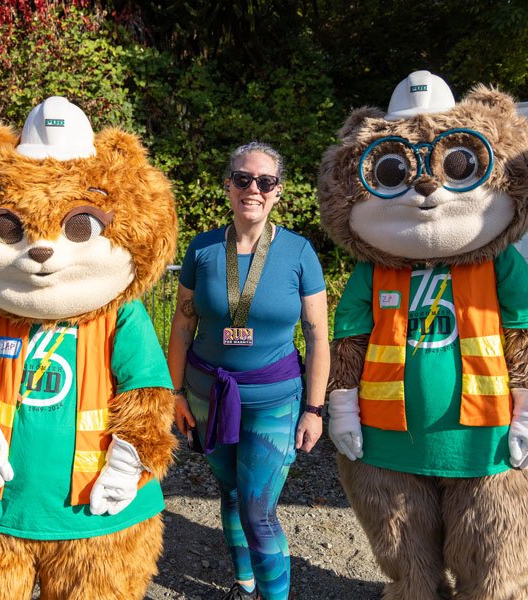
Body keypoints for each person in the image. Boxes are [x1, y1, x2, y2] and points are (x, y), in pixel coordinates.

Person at [166, 141, 329, 600]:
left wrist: (314, 409)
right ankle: (244, 584)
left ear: (278, 192)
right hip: (205, 394)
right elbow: (182, 325)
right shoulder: (202, 250)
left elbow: (318, 337)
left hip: (273, 400)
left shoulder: (299, 253)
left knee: (259, 510)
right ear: (228, 187)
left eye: (264, 181)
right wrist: (173, 393)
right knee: (232, 494)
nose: (252, 189)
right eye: (242, 179)